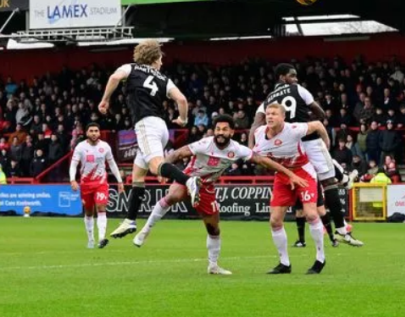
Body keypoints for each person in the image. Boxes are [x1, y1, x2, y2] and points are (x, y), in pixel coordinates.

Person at [132, 115, 308, 275]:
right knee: (174, 195)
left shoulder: (237, 149)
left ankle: (213, 265)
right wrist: (164, 170)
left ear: (232, 131)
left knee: (213, 228)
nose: (220, 133)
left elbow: (263, 160)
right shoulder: (204, 144)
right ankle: (145, 230)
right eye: (218, 129)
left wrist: (290, 174)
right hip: (189, 179)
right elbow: (178, 153)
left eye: (224, 129)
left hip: (207, 187)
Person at [249, 63, 363, 247]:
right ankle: (342, 229)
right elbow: (319, 113)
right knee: (329, 183)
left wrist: (251, 149)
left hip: (289, 144)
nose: (295, 79)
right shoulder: (298, 89)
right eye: (292, 75)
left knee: (313, 184)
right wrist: (306, 119)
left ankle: (343, 177)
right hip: (307, 138)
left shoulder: (269, 100)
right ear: (282, 77)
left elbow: (255, 125)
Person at [98, 40, 191, 239]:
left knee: (156, 166)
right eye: (160, 59)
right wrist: (183, 119)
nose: (161, 63)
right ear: (155, 58)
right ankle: (130, 220)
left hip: (146, 125)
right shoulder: (164, 79)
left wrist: (105, 99)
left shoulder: (130, 68)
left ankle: (189, 181)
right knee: (138, 176)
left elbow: (114, 77)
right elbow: (181, 100)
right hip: (161, 126)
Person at [253, 103, 331, 275]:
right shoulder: (259, 133)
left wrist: (326, 145)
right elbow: (259, 156)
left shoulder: (294, 129)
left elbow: (318, 125)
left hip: (303, 171)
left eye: (274, 113)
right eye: (268, 114)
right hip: (282, 176)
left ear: (283, 117)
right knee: (275, 220)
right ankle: (284, 263)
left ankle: (320, 258)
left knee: (311, 214)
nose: (270, 117)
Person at [70, 123, 124, 249]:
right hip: (86, 184)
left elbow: (112, 164)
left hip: (101, 183)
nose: (94, 133)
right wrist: (73, 180)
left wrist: (120, 181)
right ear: (87, 133)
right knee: (89, 212)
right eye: (91, 131)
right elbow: (73, 165)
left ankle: (101, 238)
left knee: (101, 207)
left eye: (96, 131)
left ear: (99, 133)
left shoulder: (105, 146)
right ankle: (91, 239)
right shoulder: (80, 147)